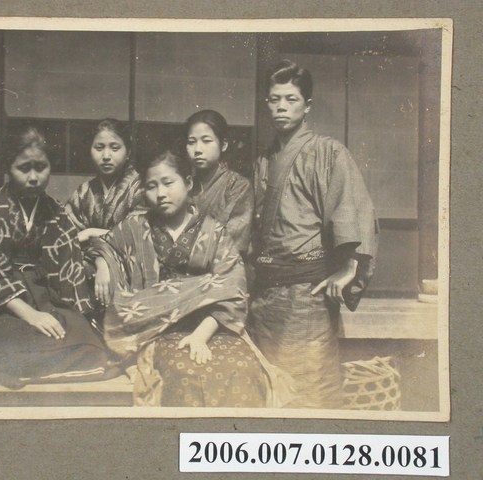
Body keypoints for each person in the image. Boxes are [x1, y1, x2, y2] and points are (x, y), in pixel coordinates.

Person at [89, 151, 293, 408]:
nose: (160, 193)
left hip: (215, 325)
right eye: (151, 186)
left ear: (188, 183)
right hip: (157, 329)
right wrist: (102, 263)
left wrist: (200, 336)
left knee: (244, 369)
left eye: (168, 183)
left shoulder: (213, 231)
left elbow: (233, 286)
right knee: (185, 372)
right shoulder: (134, 227)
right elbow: (105, 245)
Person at [0, 126, 117, 388]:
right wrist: (30, 315)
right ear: (8, 168)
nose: (33, 178)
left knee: (89, 344)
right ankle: (35, 367)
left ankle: (27, 368)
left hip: (45, 299)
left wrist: (69, 315)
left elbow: (68, 270)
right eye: (24, 168)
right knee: (3, 342)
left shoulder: (56, 213)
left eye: (40, 167)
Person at [249, 59, 378, 409]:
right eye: (274, 99)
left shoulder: (327, 152)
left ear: (307, 106)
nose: (281, 107)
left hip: (307, 296)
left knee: (310, 391)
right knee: (268, 389)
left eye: (290, 99)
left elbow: (353, 207)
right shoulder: (264, 160)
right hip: (266, 296)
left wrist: (348, 266)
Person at [185, 109, 253, 257]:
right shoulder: (184, 186)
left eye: (206, 141)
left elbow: (234, 240)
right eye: (191, 142)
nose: (197, 149)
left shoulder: (238, 185)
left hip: (223, 265)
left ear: (223, 145)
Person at [65, 118, 143, 244]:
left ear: (128, 153)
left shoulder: (140, 188)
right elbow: (66, 235)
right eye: (99, 148)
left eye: (114, 148)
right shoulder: (82, 193)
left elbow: (137, 234)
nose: (106, 156)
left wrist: (90, 233)